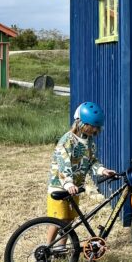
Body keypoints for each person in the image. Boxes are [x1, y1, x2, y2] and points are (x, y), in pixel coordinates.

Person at [46, 102, 116, 246]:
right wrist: (68, 182)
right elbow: (62, 163)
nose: (93, 130)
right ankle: (47, 248)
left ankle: (61, 249)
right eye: (90, 127)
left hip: (75, 187)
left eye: (96, 128)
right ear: (80, 123)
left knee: (69, 221)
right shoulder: (68, 140)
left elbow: (92, 162)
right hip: (60, 185)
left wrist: (102, 170)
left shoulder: (89, 142)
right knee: (58, 218)